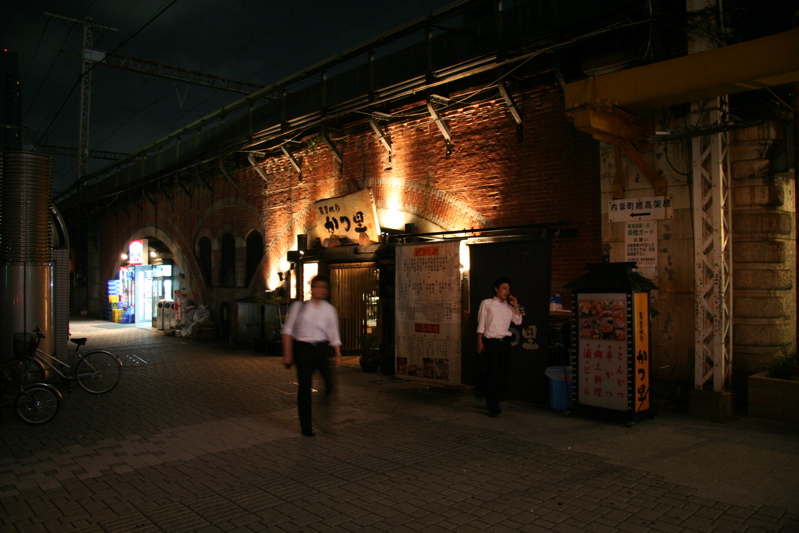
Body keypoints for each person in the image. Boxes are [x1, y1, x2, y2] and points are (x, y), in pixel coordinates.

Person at [282, 275, 342, 436]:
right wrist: (287, 354)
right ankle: (306, 427)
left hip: (321, 350)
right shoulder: (299, 307)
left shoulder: (329, 309)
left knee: (330, 384)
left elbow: (333, 332)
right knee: (304, 389)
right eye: (318, 286)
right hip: (303, 350)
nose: (320, 290)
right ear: (312, 288)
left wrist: (337, 353)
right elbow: (288, 331)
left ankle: (322, 408)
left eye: (324, 287)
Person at [476, 277, 522, 417]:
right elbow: (481, 323)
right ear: (496, 289)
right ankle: (491, 404)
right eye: (504, 288)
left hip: (504, 342)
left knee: (502, 373)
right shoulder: (487, 303)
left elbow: (518, 321)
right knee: (492, 372)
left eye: (508, 289)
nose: (506, 291)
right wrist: (480, 342)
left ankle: (497, 399)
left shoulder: (509, 307)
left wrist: (515, 305)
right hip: (491, 341)